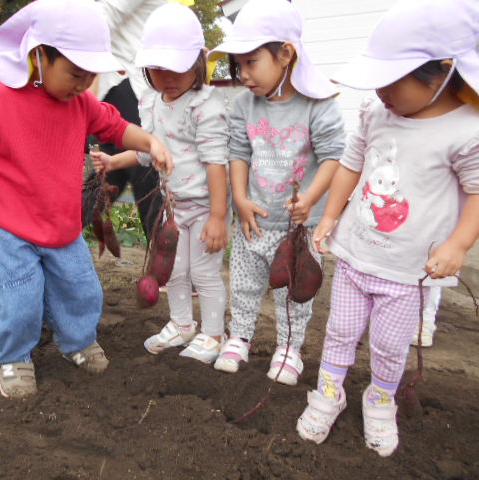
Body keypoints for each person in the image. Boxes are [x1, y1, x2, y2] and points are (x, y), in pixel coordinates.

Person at [0, 0, 173, 399]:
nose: (84, 83)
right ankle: (12, 358)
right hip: (5, 225)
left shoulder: (81, 103)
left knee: (81, 289)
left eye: (91, 75)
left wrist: (149, 141)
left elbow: (117, 128)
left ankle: (77, 341)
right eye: (75, 73)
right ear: (39, 55)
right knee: (16, 296)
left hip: (60, 224)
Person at [296, 0, 479, 457]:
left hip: (407, 270)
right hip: (356, 255)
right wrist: (331, 216)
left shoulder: (466, 130)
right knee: (339, 331)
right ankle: (329, 393)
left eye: (392, 80)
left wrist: (458, 244)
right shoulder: (375, 113)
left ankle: (380, 401)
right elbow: (351, 164)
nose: (380, 91)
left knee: (389, 345)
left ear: (442, 73)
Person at [207, 0, 346, 383]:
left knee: (295, 293)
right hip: (254, 220)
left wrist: (310, 198)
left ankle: (289, 349)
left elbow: (334, 156)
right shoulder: (244, 105)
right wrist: (239, 198)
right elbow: (238, 152)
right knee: (245, 284)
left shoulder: (318, 106)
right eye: (239, 64)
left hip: (299, 228)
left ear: (285, 54)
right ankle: (240, 337)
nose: (243, 73)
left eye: (251, 62)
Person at [92, 3, 231, 364]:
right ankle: (182, 325)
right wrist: (114, 161)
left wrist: (218, 217)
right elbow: (147, 153)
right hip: (173, 207)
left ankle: (214, 334)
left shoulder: (206, 105)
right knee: (174, 270)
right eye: (158, 68)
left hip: (205, 207)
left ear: (199, 60)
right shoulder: (152, 103)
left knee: (203, 272)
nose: (168, 77)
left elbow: (217, 163)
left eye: (177, 67)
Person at [82, 0, 167, 241]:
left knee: (109, 177)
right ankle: (163, 257)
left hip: (123, 87)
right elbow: (100, 18)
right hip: (127, 86)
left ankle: (54, 231)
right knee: (149, 172)